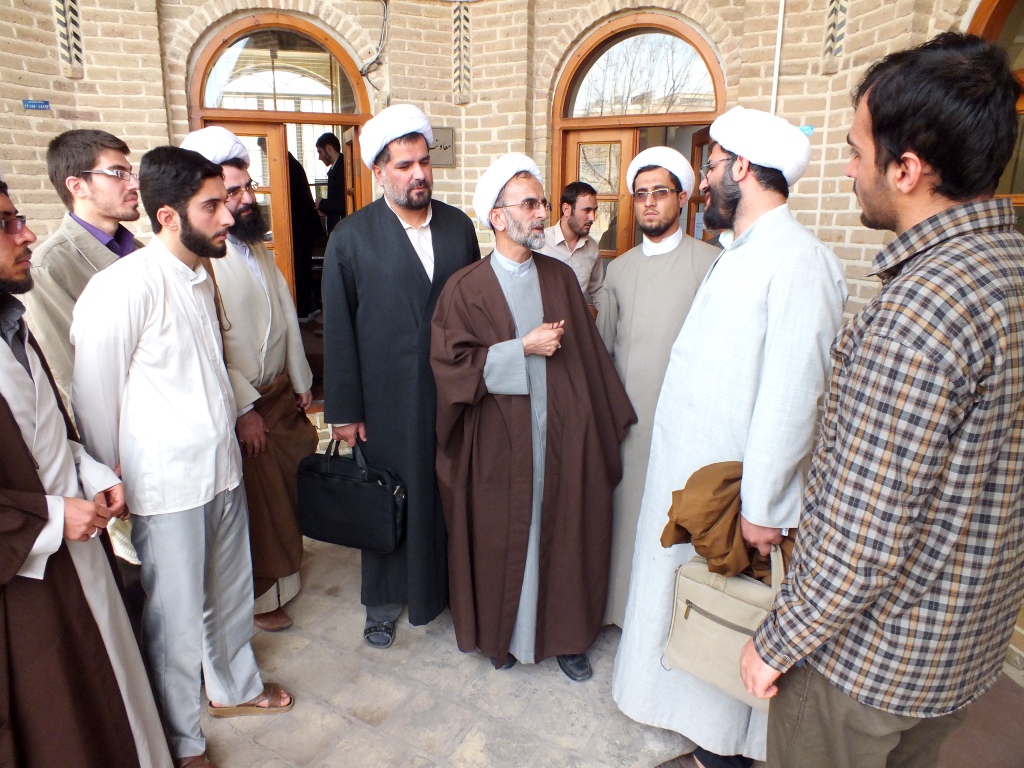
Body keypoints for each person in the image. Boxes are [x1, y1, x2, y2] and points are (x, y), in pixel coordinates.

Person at [741, 33, 1024, 768]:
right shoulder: (1010, 268)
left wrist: (776, 641)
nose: (847, 168)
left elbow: (864, 535)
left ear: (907, 169)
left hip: (864, 666)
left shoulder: (917, 315)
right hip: (960, 654)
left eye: (856, 151)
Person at [612, 106, 848, 768]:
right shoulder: (740, 252)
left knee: (728, 617)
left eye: (712, 165)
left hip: (737, 497)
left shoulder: (800, 261)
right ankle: (696, 734)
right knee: (687, 604)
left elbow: (793, 396)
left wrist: (764, 507)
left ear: (742, 168)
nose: (706, 180)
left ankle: (722, 754)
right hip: (697, 480)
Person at [71, 146, 294, 768]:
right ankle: (177, 738)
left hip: (221, 471)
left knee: (231, 595)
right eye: (212, 206)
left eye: (226, 201)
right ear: (168, 216)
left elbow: (210, 371)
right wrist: (107, 479)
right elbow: (94, 397)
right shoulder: (122, 288)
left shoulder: (199, 276)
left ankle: (235, 689)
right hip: (165, 486)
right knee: (173, 620)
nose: (229, 216)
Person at [431, 153, 636, 681]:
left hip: (562, 435)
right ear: (497, 217)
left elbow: (588, 358)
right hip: (499, 442)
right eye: (530, 204)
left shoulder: (560, 277)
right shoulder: (465, 288)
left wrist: (594, 424)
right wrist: (519, 348)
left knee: (565, 531)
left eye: (543, 202)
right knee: (506, 535)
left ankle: (567, 637)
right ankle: (504, 635)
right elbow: (452, 368)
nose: (542, 212)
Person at [0, 175, 172, 768]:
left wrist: (94, 472)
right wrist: (50, 519)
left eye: (18, 219)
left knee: (114, 684)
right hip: (23, 583)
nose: (27, 235)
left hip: (80, 546)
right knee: (62, 714)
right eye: (6, 225)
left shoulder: (13, 325)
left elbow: (47, 434)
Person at [322, 104, 480, 649]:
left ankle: (442, 592)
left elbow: (474, 311)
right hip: (384, 401)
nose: (418, 174)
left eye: (424, 162)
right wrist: (345, 412)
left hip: (451, 394)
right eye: (404, 165)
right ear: (379, 172)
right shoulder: (350, 237)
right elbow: (338, 332)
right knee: (388, 497)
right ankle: (384, 602)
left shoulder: (459, 228)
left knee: (444, 493)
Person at [181, 126, 318, 634]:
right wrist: (244, 409)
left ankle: (288, 574)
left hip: (280, 393)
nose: (243, 200)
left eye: (245, 188)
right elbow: (207, 346)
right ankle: (263, 599)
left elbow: (284, 312)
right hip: (249, 405)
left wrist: (300, 379)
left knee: (288, 488)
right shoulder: (201, 259)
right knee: (262, 506)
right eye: (230, 192)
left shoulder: (253, 245)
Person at [21, 128, 146, 625]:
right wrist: (106, 463)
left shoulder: (137, 248)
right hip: (120, 449)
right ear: (77, 185)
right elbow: (74, 375)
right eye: (117, 172)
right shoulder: (53, 265)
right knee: (140, 570)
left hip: (166, 434)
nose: (132, 183)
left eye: (130, 171)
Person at [595, 146, 719, 627]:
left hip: (685, 423)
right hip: (628, 423)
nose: (649, 202)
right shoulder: (619, 269)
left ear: (683, 198)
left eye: (660, 192)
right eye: (641, 194)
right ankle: (620, 613)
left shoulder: (711, 264)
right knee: (626, 518)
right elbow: (604, 352)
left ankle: (669, 622)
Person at [538, 181, 603, 308]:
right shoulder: (540, 243)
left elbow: (598, 289)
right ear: (566, 209)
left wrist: (608, 317)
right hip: (544, 319)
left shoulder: (592, 248)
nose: (592, 218)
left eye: (594, 210)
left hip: (577, 319)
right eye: (587, 210)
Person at [288, 150, 324, 320]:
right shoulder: (292, 165)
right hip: (303, 226)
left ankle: (304, 309)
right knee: (302, 268)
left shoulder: (287, 167)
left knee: (301, 269)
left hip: (301, 227)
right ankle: (309, 306)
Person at [315, 132, 346, 234]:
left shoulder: (342, 169)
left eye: (320, 152)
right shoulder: (338, 167)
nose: (319, 157)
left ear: (329, 148)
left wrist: (321, 204)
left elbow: (342, 204)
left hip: (342, 229)